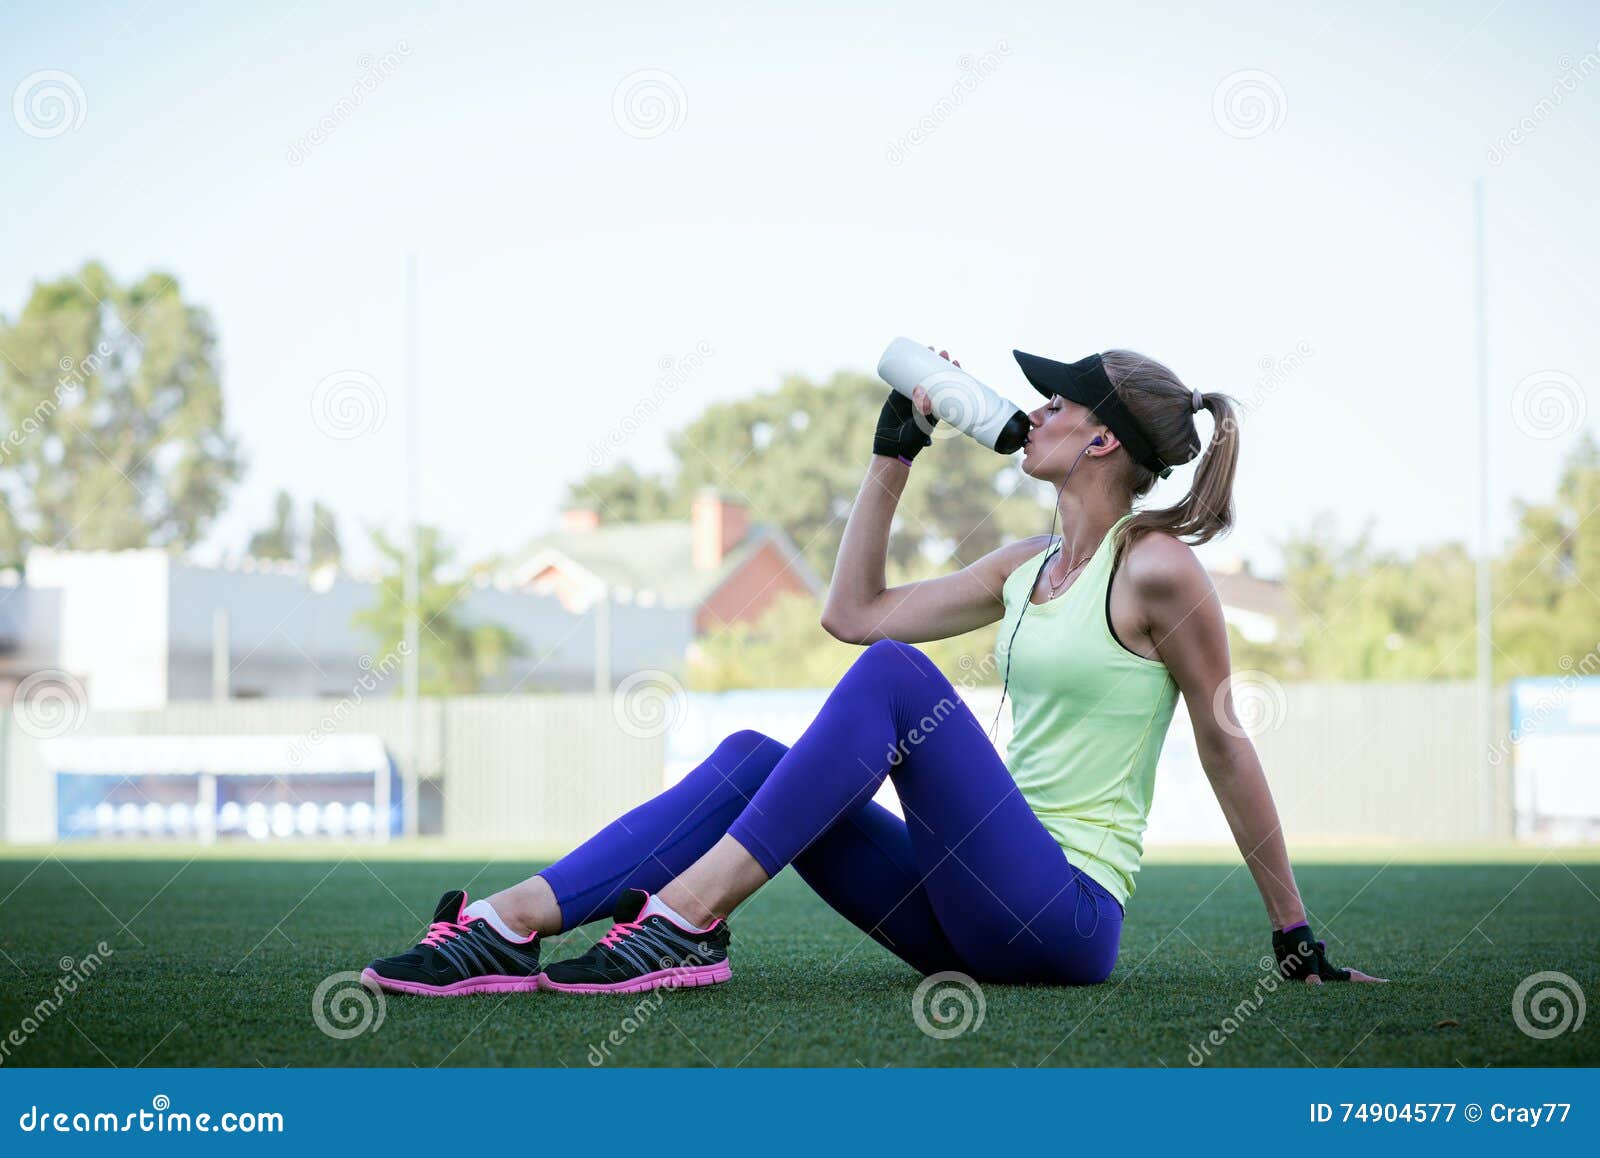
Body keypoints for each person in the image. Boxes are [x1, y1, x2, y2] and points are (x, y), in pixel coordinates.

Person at [362, 346, 1385, 997]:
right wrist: (890, 458)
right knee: (755, 755)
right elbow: (850, 615)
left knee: (903, 681)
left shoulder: (1157, 569)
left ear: (1101, 435)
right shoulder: (1026, 569)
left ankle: (684, 919)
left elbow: (1223, 741)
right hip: (964, 909)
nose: (1033, 413)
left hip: (1060, 918)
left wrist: (1291, 931)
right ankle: (509, 925)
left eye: (1054, 403)